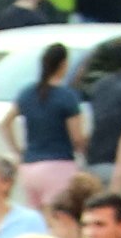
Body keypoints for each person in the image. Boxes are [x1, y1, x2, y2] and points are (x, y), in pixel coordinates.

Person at [9, 46, 87, 215]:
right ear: (63, 64)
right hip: (58, 164)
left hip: (29, 166)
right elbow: (76, 138)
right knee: (58, 218)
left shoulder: (27, 93)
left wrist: (17, 149)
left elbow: (5, 122)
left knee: (36, 219)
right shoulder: (67, 96)